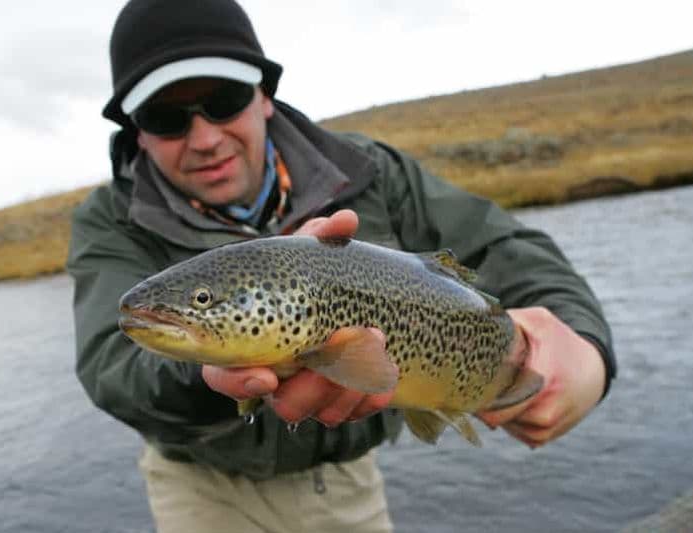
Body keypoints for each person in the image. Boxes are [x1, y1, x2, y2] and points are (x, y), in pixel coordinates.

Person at [66, 1, 616, 532]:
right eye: (166, 118)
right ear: (137, 130)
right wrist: (212, 375)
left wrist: (585, 348)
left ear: (263, 95)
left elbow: (510, 251)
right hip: (205, 484)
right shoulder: (108, 221)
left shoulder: (368, 170)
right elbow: (112, 367)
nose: (205, 138)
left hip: (346, 477)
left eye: (226, 100)